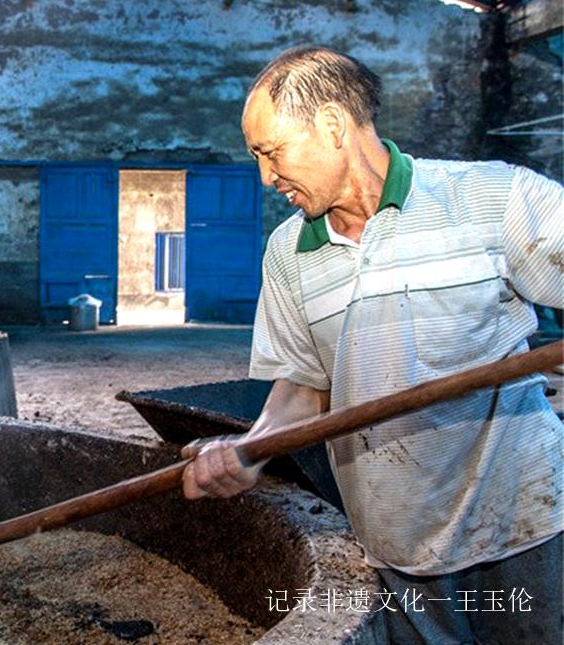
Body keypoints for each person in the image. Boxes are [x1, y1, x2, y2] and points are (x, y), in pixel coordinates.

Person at [181, 46, 563, 644]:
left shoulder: (492, 200)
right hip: (394, 543)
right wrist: (251, 450)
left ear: (332, 125)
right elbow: (304, 389)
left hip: (522, 527)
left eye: (270, 152)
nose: (265, 176)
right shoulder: (289, 254)